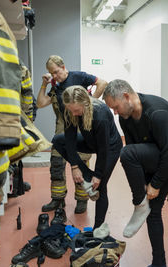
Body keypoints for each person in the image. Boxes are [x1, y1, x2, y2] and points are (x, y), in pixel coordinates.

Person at [103, 79, 168, 267]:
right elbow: (138, 150)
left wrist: (156, 184)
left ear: (126, 96)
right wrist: (144, 183)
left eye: (116, 107)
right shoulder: (125, 118)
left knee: (126, 154)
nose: (115, 112)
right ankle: (159, 263)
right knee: (153, 211)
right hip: (158, 153)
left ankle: (139, 204)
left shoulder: (156, 113)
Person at [37, 55, 108, 214]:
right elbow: (40, 103)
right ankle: (57, 199)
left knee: (80, 163)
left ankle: (82, 200)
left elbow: (102, 83)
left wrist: (89, 104)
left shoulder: (79, 76)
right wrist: (44, 84)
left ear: (63, 67)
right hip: (62, 128)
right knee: (56, 165)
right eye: (51, 74)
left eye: (56, 72)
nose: (54, 76)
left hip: (80, 128)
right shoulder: (55, 86)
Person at [52, 85, 122, 229]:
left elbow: (103, 150)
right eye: (71, 111)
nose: (74, 114)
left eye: (77, 111)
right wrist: (75, 167)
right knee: (59, 140)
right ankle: (87, 175)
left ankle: (98, 228)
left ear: (86, 103)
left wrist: (98, 175)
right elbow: (70, 139)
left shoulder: (100, 113)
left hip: (110, 147)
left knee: (100, 186)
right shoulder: (70, 110)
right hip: (90, 141)